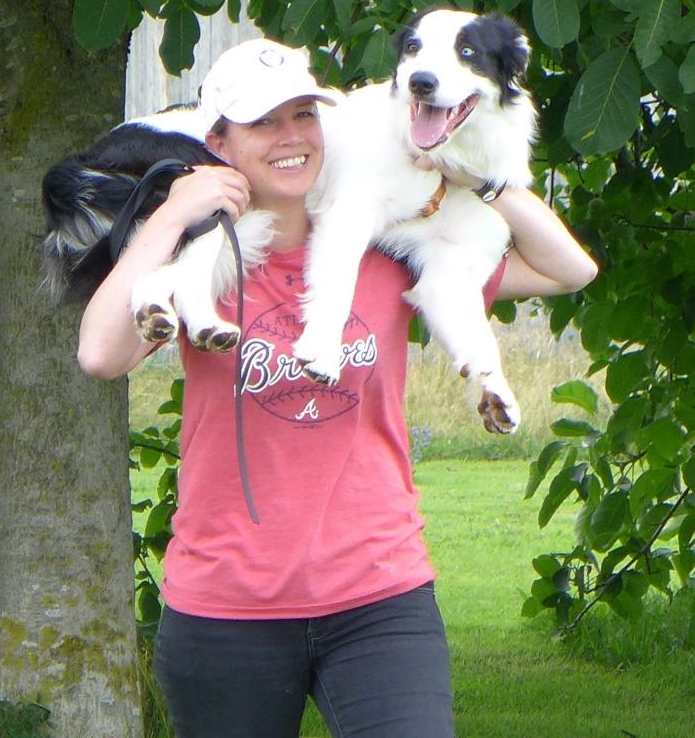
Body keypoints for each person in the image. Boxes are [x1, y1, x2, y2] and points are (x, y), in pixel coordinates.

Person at [78, 38, 598, 738]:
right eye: (265, 123)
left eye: (304, 115)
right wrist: (172, 213)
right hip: (227, 608)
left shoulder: (384, 245)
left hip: (379, 597)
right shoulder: (203, 265)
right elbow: (102, 355)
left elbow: (566, 269)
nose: (292, 138)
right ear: (220, 143)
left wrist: (483, 175)